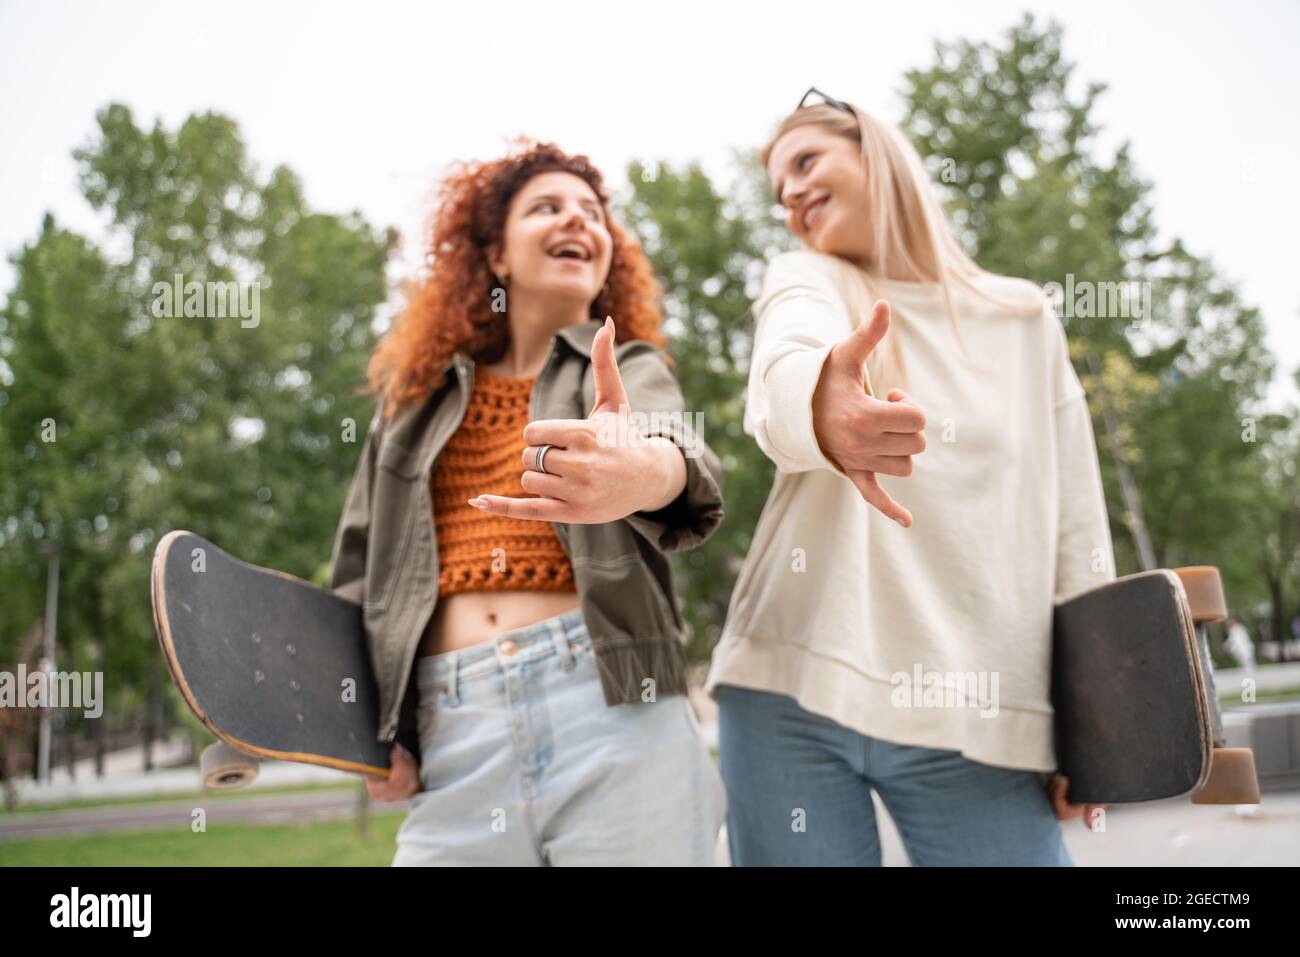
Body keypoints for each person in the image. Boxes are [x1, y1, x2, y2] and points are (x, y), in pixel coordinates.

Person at [705, 88, 1113, 865]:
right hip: (791, 693)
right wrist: (821, 403)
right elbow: (785, 363)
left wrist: (1093, 725)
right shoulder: (809, 277)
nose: (790, 194)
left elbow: (1079, 534)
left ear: (876, 153)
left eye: (805, 161)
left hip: (975, 710)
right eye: (777, 189)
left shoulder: (1024, 320)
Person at [329, 139, 726, 865]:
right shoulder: (411, 406)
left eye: (593, 213)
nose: (577, 220)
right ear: (497, 258)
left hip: (618, 713)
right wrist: (375, 732)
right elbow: (355, 581)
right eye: (547, 207)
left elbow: (682, 454)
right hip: (453, 730)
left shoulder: (627, 369)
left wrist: (646, 472)